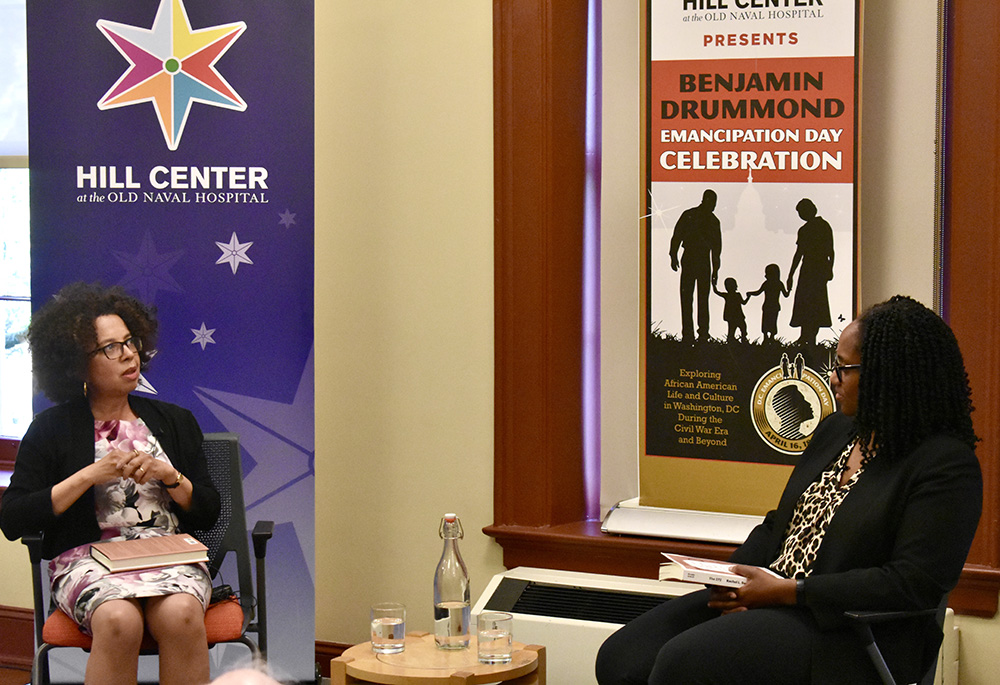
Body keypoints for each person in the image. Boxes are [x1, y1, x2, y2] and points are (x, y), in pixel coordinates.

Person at [595, 295, 982, 684]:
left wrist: (788, 592)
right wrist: (734, 579)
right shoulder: (837, 432)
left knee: (683, 665)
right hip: (775, 599)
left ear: (889, 375)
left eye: (844, 369)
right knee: (622, 658)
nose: (833, 378)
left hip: (851, 632)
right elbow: (780, 524)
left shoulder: (945, 466)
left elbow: (908, 584)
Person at [0, 282, 221, 685]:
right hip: (88, 559)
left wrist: (169, 476)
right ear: (76, 365)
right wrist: (89, 475)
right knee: (119, 619)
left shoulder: (175, 421)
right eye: (111, 348)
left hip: (166, 555)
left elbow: (208, 512)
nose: (130, 354)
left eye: (130, 342)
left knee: (181, 614)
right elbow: (13, 518)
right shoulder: (51, 428)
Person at [669, 189, 722, 343]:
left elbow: (716, 249)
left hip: (700, 259)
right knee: (692, 297)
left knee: (697, 298)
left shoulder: (710, 220)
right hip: (693, 257)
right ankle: (691, 334)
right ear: (706, 200)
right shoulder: (692, 216)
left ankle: (699, 334)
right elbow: (677, 235)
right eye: (712, 202)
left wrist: (716, 269)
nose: (713, 206)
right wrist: (673, 254)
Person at [785, 198, 834, 346]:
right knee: (806, 302)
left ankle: (810, 337)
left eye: (802, 211)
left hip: (816, 269)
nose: (801, 215)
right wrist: (791, 274)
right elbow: (799, 253)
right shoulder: (805, 229)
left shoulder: (822, 227)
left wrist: (829, 268)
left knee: (814, 302)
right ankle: (805, 335)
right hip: (808, 269)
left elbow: (830, 251)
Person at [746, 263, 789, 342]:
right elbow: (786, 295)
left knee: (768, 321)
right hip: (772, 306)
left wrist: (751, 293)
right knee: (771, 321)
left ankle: (768, 338)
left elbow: (758, 292)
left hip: (769, 306)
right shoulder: (778, 283)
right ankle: (768, 338)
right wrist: (789, 290)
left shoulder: (769, 283)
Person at [712, 277, 748, 343]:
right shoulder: (729, 295)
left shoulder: (735, 295)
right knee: (734, 329)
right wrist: (713, 285)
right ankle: (735, 340)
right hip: (733, 316)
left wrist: (714, 285)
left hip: (737, 315)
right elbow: (744, 302)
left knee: (742, 328)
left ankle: (742, 340)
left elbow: (743, 303)